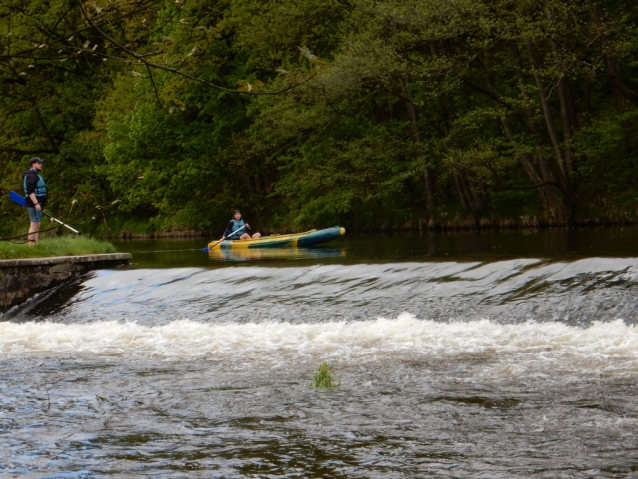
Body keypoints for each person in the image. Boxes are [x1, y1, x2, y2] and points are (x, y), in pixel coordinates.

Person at [22, 157, 47, 247]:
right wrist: (36, 204)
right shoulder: (31, 175)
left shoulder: (35, 175)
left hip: (38, 202)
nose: (41, 165)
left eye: (41, 163)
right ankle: (31, 246)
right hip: (33, 203)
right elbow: (30, 191)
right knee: (33, 224)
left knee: (37, 224)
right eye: (39, 163)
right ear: (33, 164)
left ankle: (36, 246)